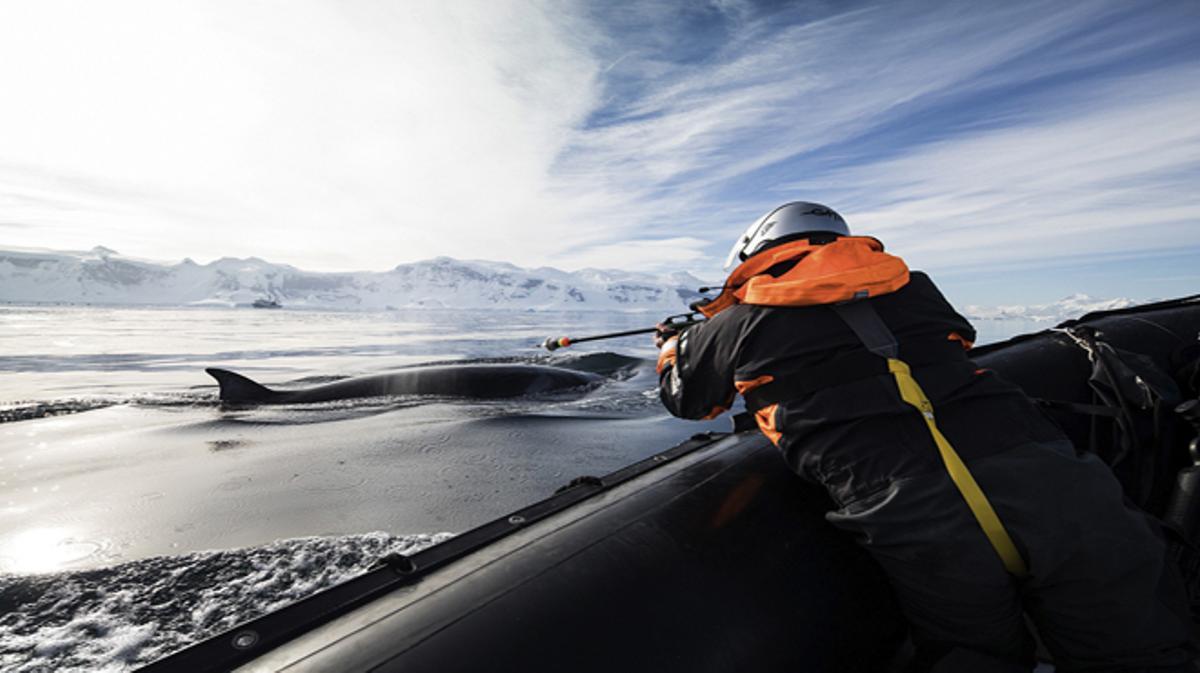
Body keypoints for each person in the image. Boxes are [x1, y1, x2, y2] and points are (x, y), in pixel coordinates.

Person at [654, 201, 1197, 672]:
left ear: (755, 253)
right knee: (1137, 644)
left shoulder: (730, 327)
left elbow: (689, 400)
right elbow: (951, 341)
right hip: (1048, 473)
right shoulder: (916, 288)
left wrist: (677, 344)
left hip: (909, 506)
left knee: (973, 654)